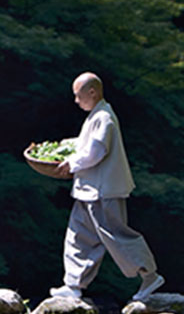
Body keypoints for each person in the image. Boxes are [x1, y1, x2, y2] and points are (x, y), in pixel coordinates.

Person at [50, 72, 164, 301]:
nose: (76, 101)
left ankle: (150, 276)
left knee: (116, 236)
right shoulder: (96, 115)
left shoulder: (104, 116)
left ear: (91, 92)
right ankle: (73, 285)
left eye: (78, 95)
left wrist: (71, 163)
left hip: (103, 191)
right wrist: (64, 147)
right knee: (78, 235)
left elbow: (96, 152)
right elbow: (87, 145)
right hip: (89, 190)